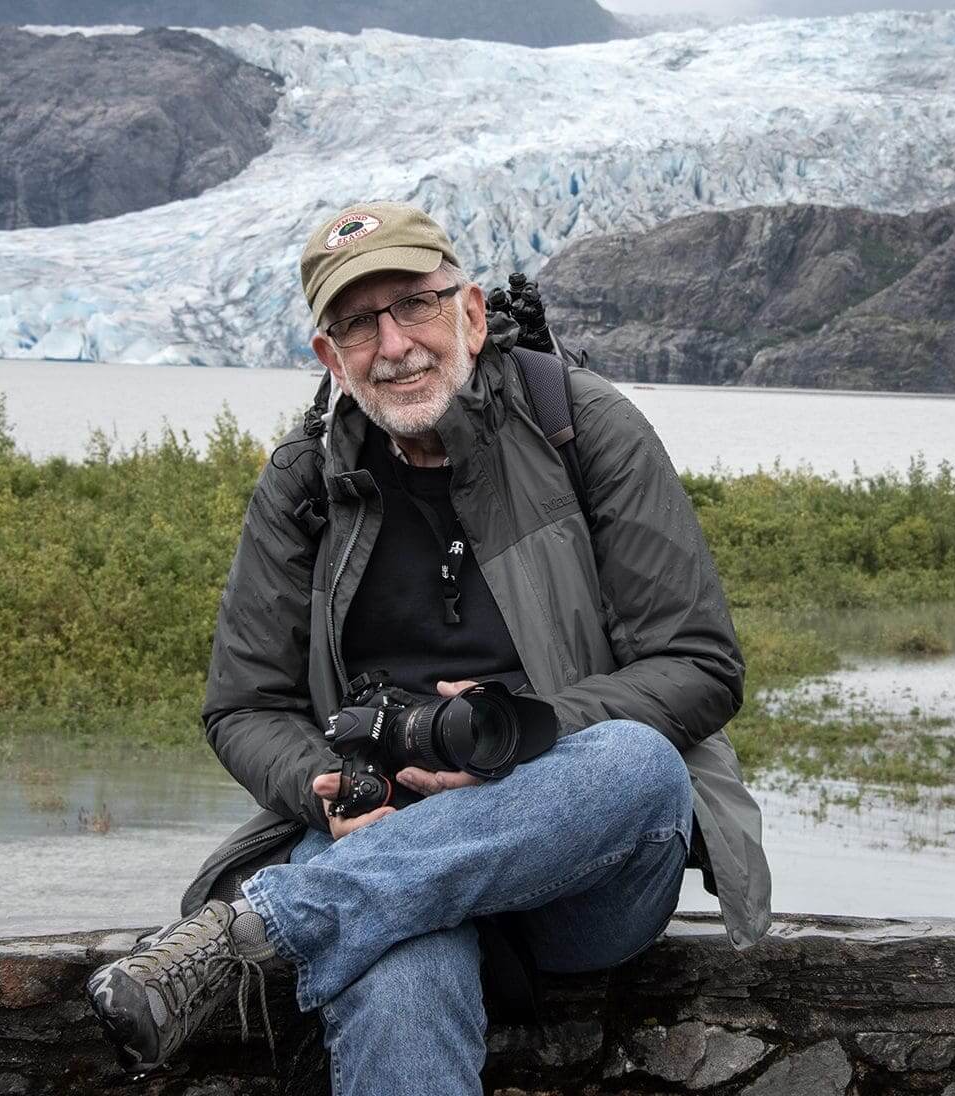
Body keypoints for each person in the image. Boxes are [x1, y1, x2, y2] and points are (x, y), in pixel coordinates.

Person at [86, 201, 771, 1094]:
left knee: (640, 766)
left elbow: (701, 665)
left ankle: (264, 926)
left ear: (471, 314)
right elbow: (244, 705)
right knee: (402, 966)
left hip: (579, 864)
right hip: (377, 836)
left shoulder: (585, 428)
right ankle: (322, 909)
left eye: (414, 304)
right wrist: (323, 788)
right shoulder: (304, 483)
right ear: (330, 358)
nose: (395, 344)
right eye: (357, 324)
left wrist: (519, 733)